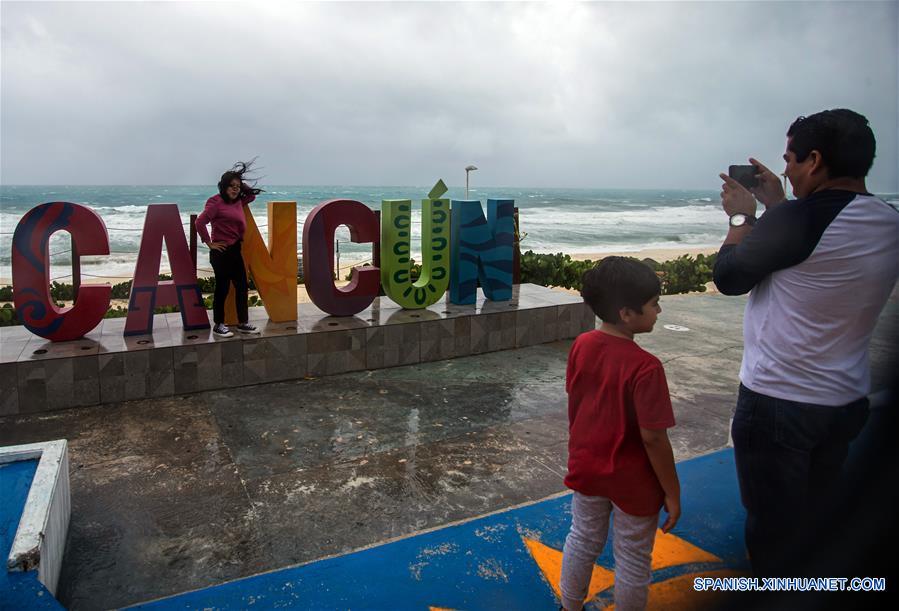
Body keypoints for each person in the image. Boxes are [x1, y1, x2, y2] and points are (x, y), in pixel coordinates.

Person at [713, 108, 899, 578]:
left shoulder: (796, 221)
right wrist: (780, 206)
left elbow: (729, 277)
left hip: (778, 401)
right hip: (845, 400)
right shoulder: (887, 221)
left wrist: (741, 214)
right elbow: (816, 249)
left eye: (791, 160)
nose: (787, 170)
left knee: (773, 531)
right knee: (818, 516)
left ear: (814, 160)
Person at [560, 257, 680, 611]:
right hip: (633, 481)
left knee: (582, 540)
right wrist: (671, 492)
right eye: (654, 304)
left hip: (587, 468)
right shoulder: (646, 368)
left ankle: (569, 606)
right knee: (632, 559)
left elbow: (578, 398)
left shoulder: (581, 344)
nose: (658, 310)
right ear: (627, 314)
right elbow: (653, 438)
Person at [196, 161, 264, 338]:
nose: (235, 189)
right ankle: (219, 325)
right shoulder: (215, 202)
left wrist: (240, 181)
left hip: (235, 250)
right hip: (221, 252)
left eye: (237, 186)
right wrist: (209, 242)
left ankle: (243, 323)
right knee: (223, 288)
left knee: (242, 287)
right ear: (223, 186)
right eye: (231, 186)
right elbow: (200, 222)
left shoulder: (239, 202)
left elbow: (251, 195)